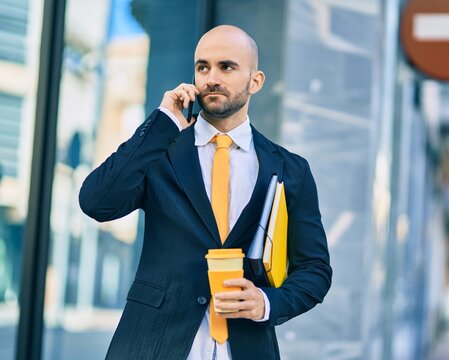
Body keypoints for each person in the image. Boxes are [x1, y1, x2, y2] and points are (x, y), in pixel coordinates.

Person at [79, 25, 332, 360]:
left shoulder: (291, 169)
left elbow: (315, 269)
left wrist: (266, 303)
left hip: (246, 347)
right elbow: (97, 202)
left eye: (226, 67)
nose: (211, 77)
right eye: (203, 67)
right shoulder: (160, 152)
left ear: (255, 81)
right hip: (153, 344)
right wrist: (161, 123)